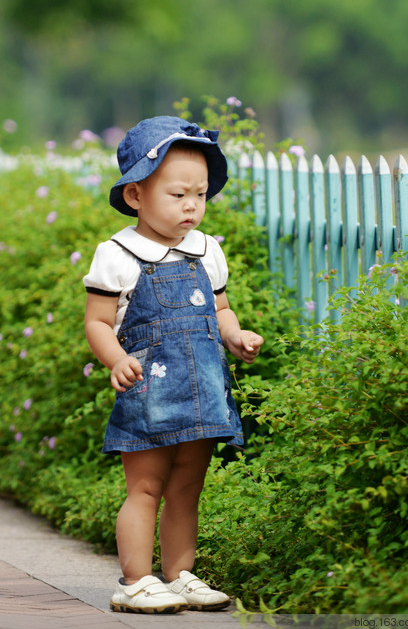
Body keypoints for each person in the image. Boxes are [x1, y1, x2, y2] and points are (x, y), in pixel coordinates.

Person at [83, 116, 263, 614]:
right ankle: (136, 581)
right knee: (145, 487)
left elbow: (221, 309)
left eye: (200, 195)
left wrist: (235, 336)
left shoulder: (207, 250)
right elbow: (98, 321)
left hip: (202, 387)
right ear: (137, 195)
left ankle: (180, 574)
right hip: (148, 391)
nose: (192, 206)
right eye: (178, 194)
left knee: (188, 486)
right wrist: (116, 359)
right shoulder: (118, 253)